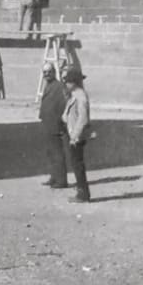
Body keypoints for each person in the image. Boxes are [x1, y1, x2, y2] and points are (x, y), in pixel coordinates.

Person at [62, 67, 91, 203]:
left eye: (68, 81)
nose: (66, 84)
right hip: (74, 134)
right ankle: (81, 190)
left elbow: (83, 118)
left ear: (73, 82)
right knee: (76, 164)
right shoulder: (75, 95)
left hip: (77, 137)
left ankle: (83, 194)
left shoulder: (80, 96)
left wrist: (74, 136)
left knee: (78, 165)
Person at [38, 63, 69, 189]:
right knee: (50, 152)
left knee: (57, 153)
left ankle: (61, 181)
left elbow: (63, 105)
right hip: (48, 123)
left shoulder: (59, 86)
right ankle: (54, 176)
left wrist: (60, 122)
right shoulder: (48, 85)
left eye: (49, 72)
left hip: (55, 125)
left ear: (54, 72)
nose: (46, 74)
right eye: (44, 72)